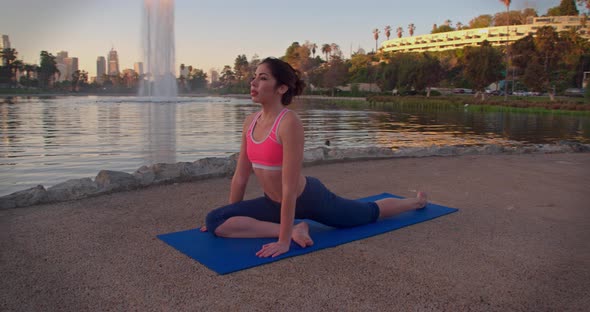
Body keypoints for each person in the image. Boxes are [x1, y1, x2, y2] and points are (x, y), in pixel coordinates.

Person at [201, 57, 427, 258]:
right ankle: (296, 228)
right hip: (273, 203)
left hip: (308, 197)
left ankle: (416, 202)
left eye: (262, 78)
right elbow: (240, 176)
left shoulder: (288, 123)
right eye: (254, 77)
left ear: (281, 88)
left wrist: (283, 241)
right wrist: (231, 214)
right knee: (214, 220)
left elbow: (289, 187)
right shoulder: (250, 122)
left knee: (366, 213)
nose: (253, 83)